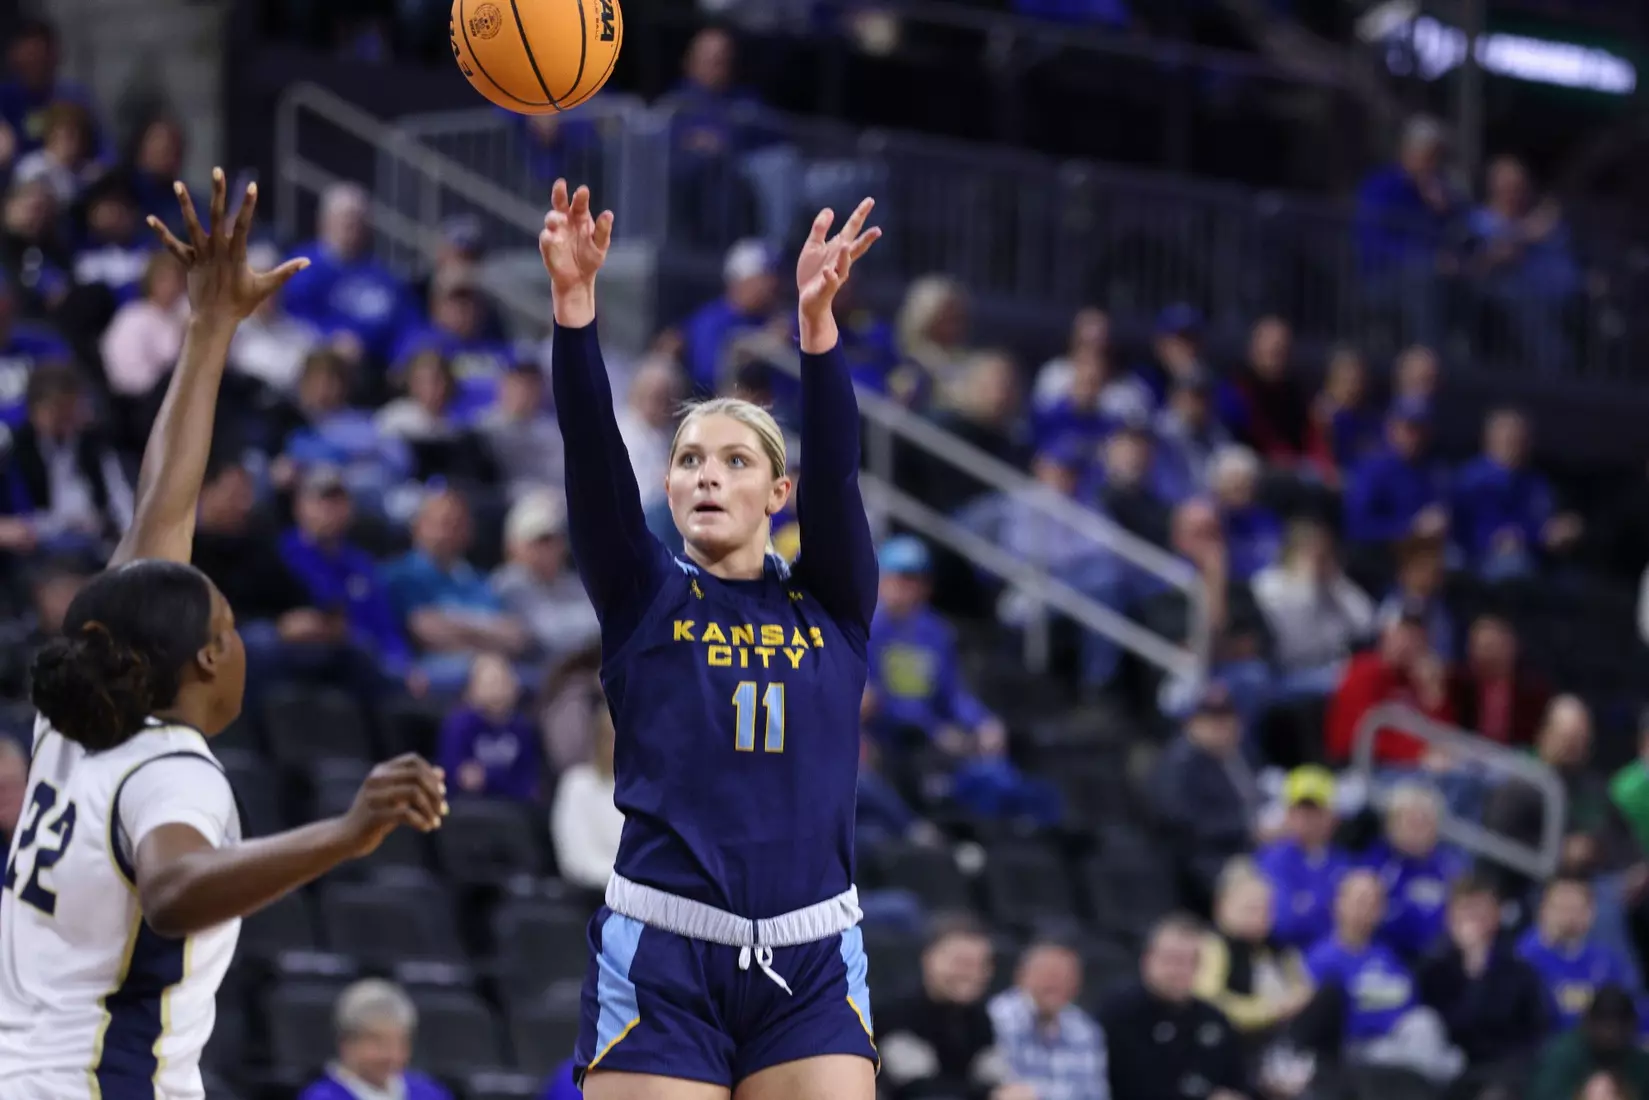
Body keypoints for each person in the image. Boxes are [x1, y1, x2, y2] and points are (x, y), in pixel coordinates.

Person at [0, 170, 447, 1100]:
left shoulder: (72, 725)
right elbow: (171, 892)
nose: (241, 639)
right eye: (232, 626)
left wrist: (210, 330)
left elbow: (162, 509)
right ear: (207, 658)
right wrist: (347, 830)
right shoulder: (170, 769)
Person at [541, 178, 882, 1100]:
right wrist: (575, 311)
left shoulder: (833, 602)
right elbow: (590, 457)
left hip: (810, 956)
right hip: (664, 954)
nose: (705, 476)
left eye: (736, 461)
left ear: (778, 495)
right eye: (689, 458)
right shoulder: (643, 591)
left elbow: (841, 479)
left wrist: (817, 329)